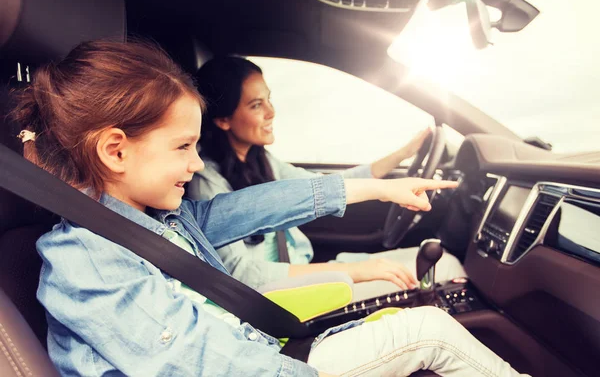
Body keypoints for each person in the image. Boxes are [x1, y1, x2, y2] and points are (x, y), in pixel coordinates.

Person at [12, 39, 527, 376]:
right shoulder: (89, 258)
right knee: (428, 333)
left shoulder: (163, 221)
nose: (195, 165)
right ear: (115, 150)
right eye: (182, 147)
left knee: (414, 329)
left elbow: (258, 206)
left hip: (258, 352)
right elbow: (187, 360)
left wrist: (374, 188)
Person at [189, 56, 466, 301]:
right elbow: (241, 273)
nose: (271, 112)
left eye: (269, 99)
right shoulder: (207, 182)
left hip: (304, 274)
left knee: (442, 265)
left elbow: (320, 188)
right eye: (256, 105)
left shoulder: (259, 161)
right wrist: (351, 271)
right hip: (280, 297)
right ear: (223, 120)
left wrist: (403, 155)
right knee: (445, 268)